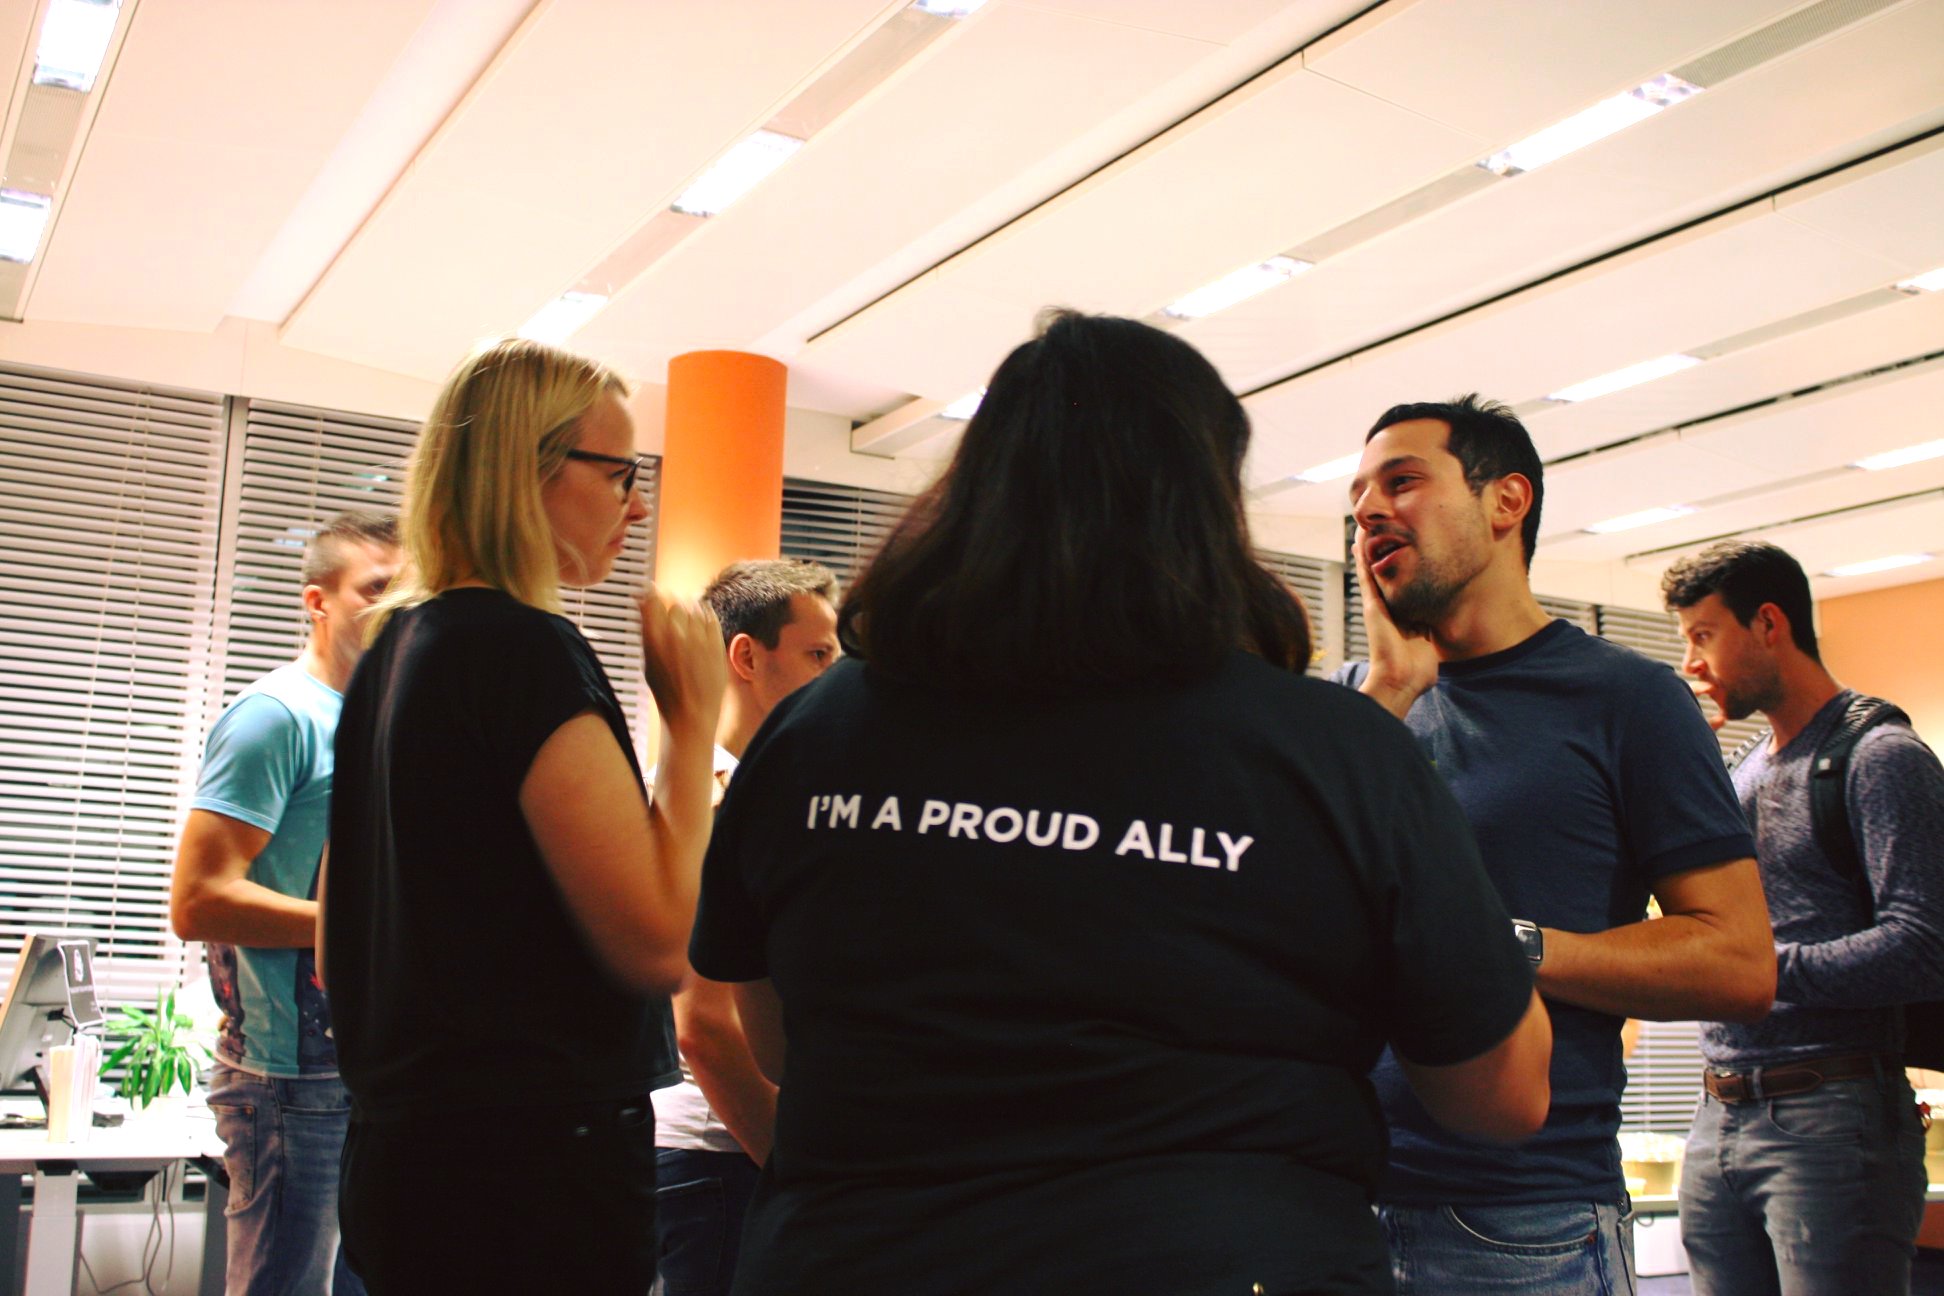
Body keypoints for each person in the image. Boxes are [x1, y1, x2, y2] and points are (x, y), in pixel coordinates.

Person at [689, 311, 1553, 1294]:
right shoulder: (1337, 751)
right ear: (1205, 501)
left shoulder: (812, 733)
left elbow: (777, 1042)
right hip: (1228, 1254)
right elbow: (1503, 1094)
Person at [1337, 395, 1775, 1294]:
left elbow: (1738, 960)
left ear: (1507, 502)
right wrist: (1384, 695)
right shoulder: (1356, 703)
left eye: (1403, 481)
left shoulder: (1626, 698)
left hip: (1518, 1223)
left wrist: (1507, 948)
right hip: (1334, 1205)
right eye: (1358, 500)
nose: (1370, 511)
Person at [320, 338, 726, 1295]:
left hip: (403, 1156)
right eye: (620, 472)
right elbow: (658, 946)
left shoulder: (393, 651)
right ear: (528, 470)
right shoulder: (522, 652)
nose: (637, 504)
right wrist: (693, 720)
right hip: (532, 1175)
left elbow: (342, 952)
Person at [1662, 539, 1942, 1296]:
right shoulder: (1746, 769)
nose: (1692, 662)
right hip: (1719, 1111)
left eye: (1702, 635)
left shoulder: (1882, 757)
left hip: (1832, 1114)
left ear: (1769, 624)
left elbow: (1922, 946)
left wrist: (1758, 970)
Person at [171, 509, 397, 1296]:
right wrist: (368, 931)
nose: (395, 605)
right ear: (317, 601)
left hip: (368, 1071)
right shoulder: (276, 715)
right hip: (288, 1081)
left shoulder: (381, 720)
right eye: (376, 587)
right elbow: (198, 902)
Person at [654, 558, 840, 1296]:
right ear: (746, 656)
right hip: (724, 1154)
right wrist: (797, 1169)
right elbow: (704, 1026)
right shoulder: (713, 802)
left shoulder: (774, 793)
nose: (836, 676)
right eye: (818, 654)